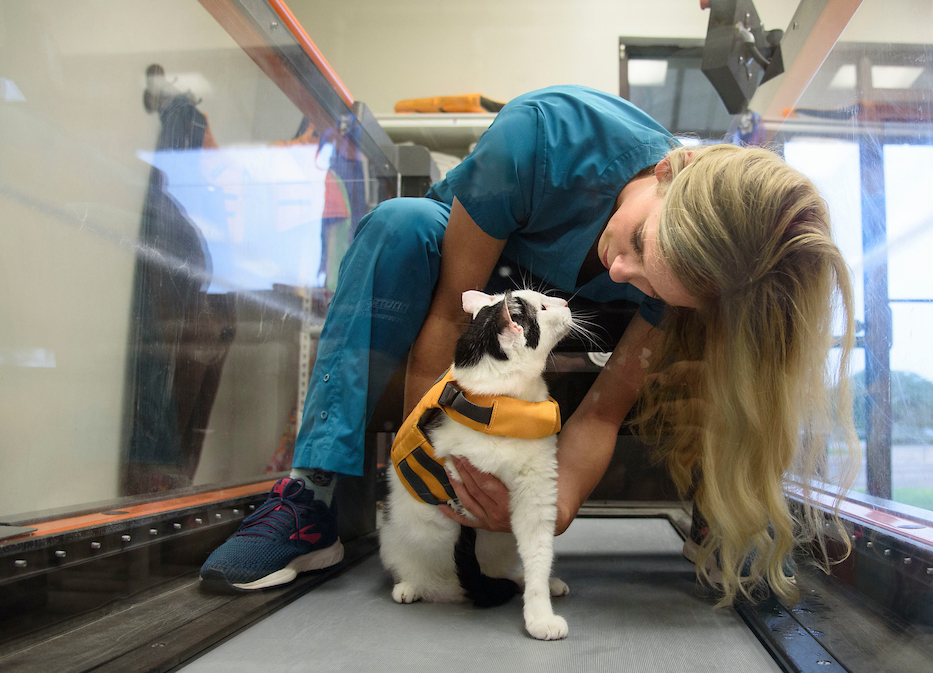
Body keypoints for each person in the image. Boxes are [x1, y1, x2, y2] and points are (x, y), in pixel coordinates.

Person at [200, 85, 860, 606]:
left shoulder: (670, 268)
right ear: (664, 173)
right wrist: (424, 481)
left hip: (573, 316)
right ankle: (313, 497)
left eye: (652, 277)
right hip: (476, 286)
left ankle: (727, 506)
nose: (624, 268)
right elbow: (445, 326)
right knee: (398, 226)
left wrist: (553, 507)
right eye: (635, 245)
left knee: (731, 316)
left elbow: (604, 408)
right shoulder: (540, 138)